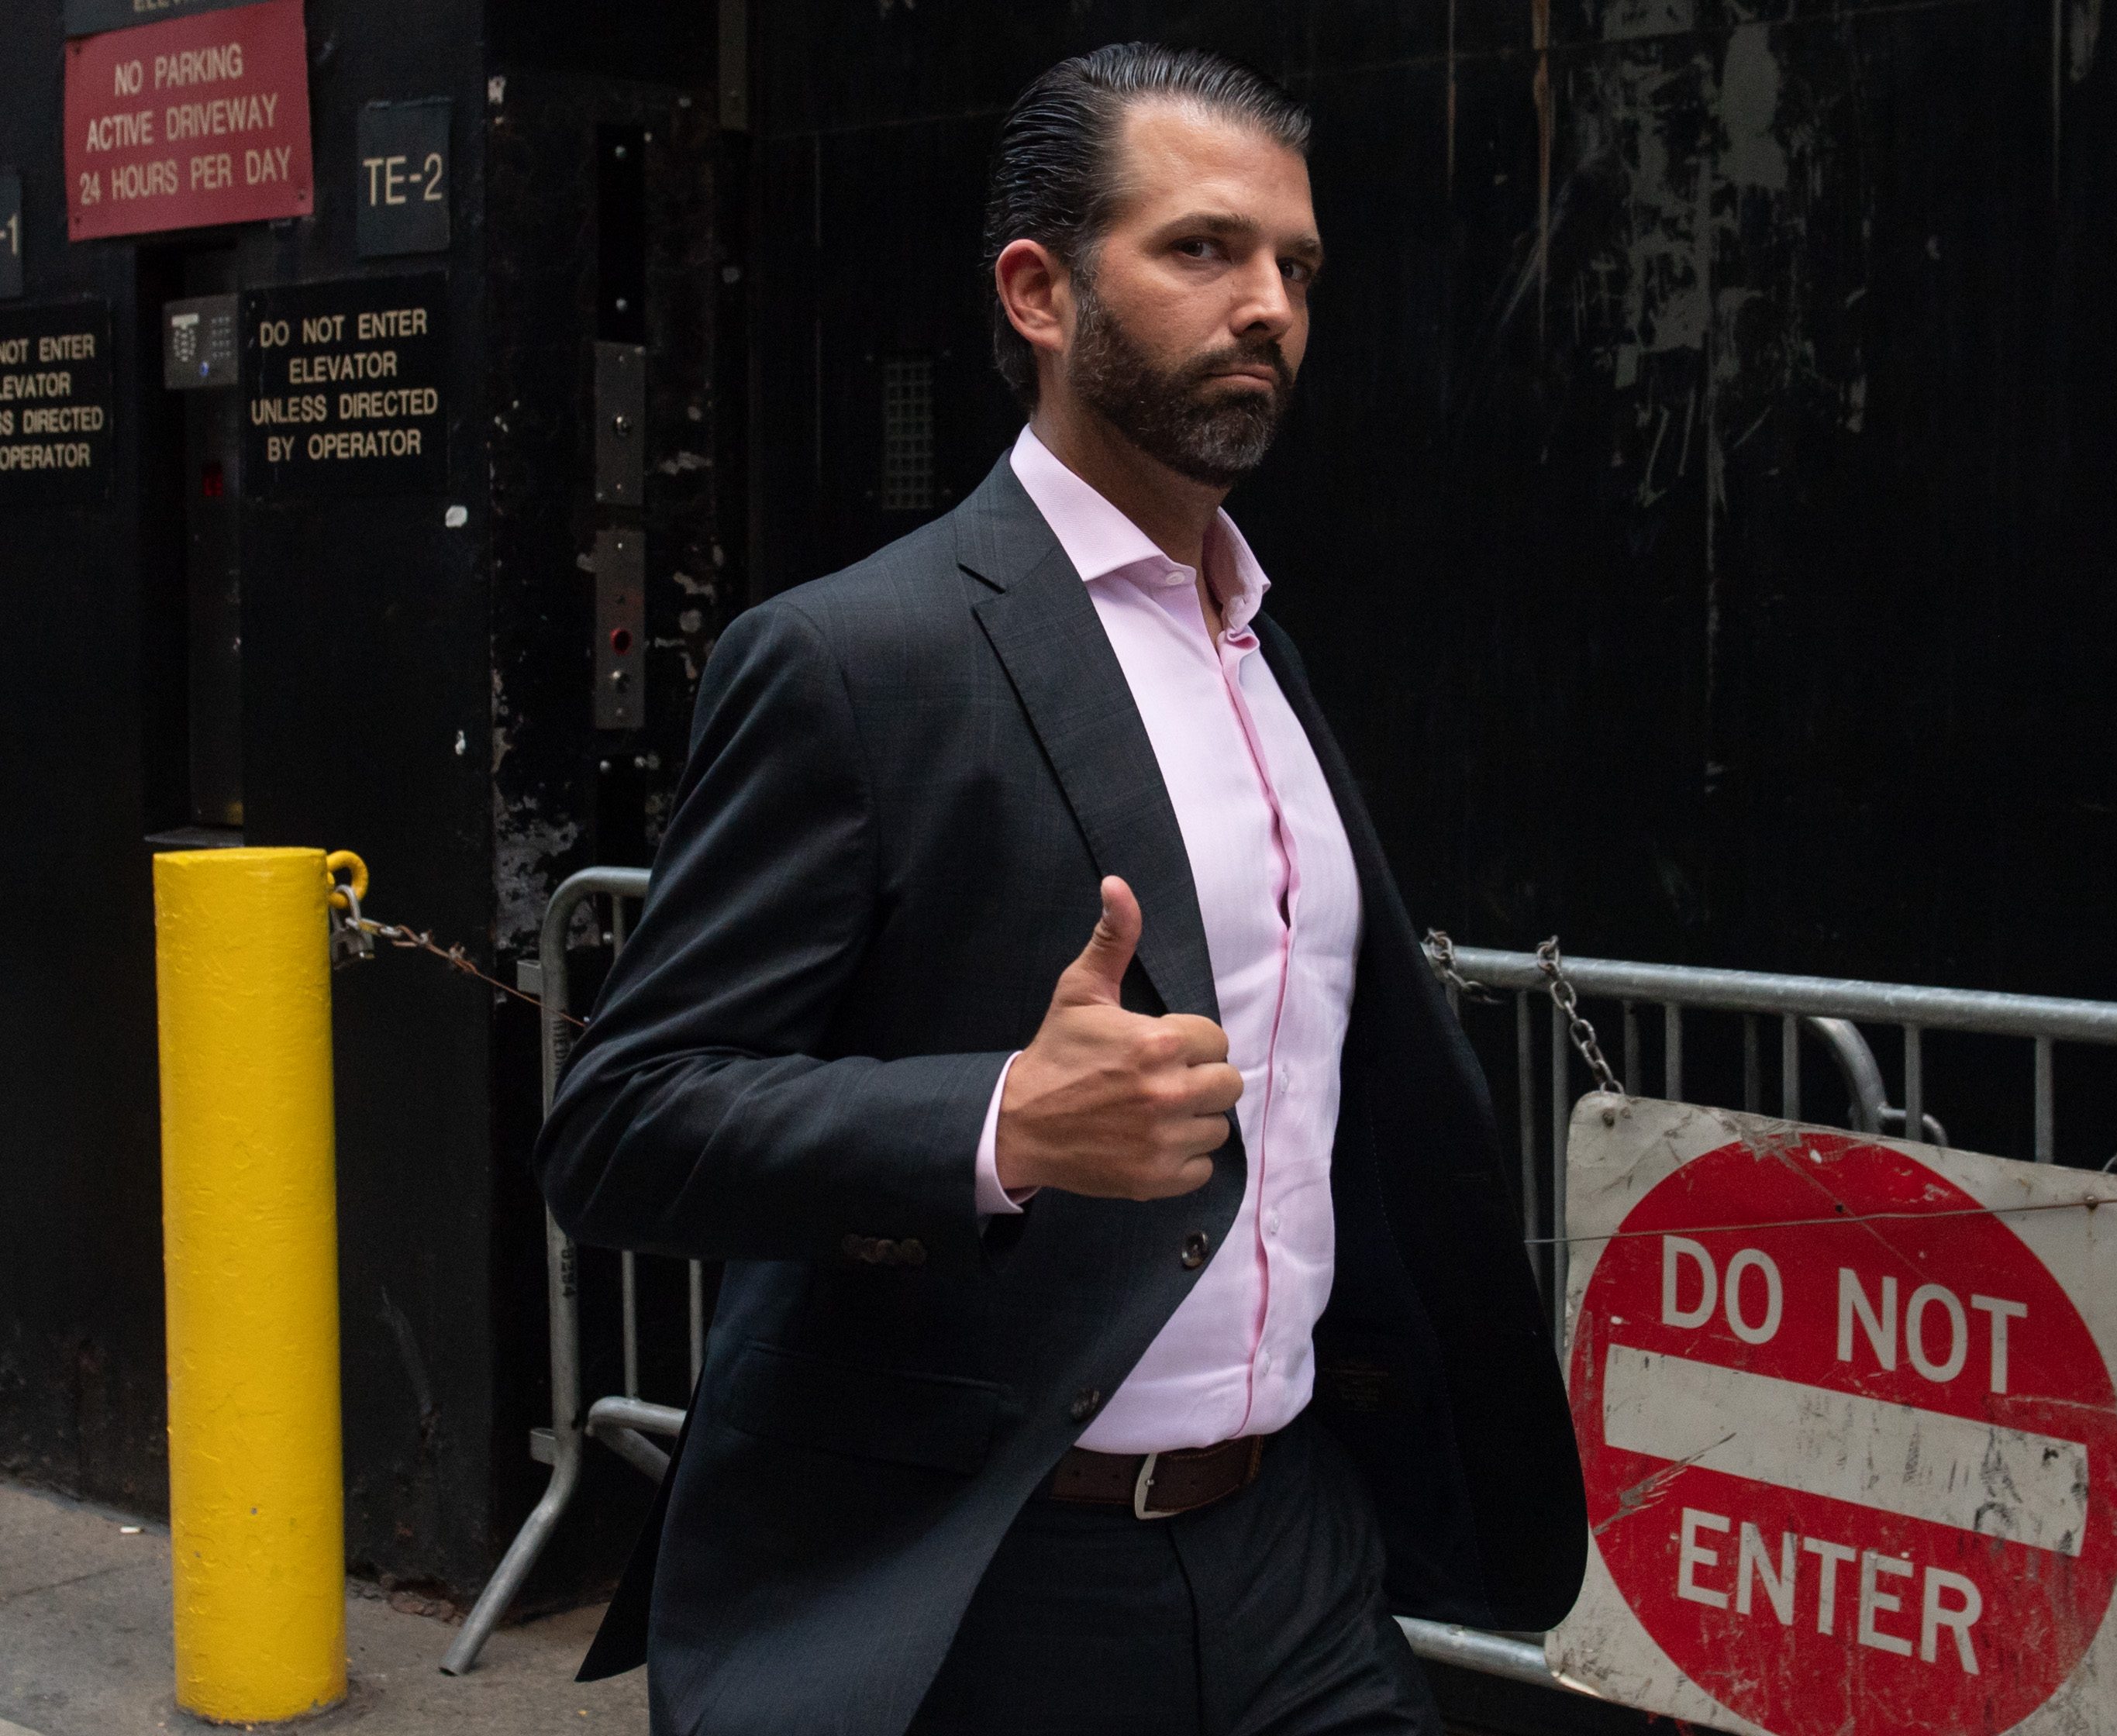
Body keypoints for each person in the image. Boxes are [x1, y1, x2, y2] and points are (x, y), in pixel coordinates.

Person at [536, 41, 1584, 1736]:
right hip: (983, 1575)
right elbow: (622, 1124)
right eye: (1201, 250)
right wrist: (1000, 1126)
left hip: (1293, 1547)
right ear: (1037, 290)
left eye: (1295, 267)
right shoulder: (852, 656)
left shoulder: (1260, 653)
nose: (1267, 307)